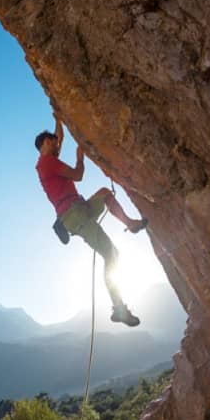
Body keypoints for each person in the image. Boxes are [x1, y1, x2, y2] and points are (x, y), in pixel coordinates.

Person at [35, 111, 148, 326]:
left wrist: (58, 119)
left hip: (80, 208)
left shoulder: (49, 158)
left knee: (106, 193)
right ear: (44, 144)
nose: (57, 144)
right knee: (111, 254)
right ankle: (119, 309)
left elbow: (61, 137)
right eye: (52, 142)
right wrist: (79, 159)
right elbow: (78, 175)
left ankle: (130, 224)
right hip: (75, 216)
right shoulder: (46, 164)